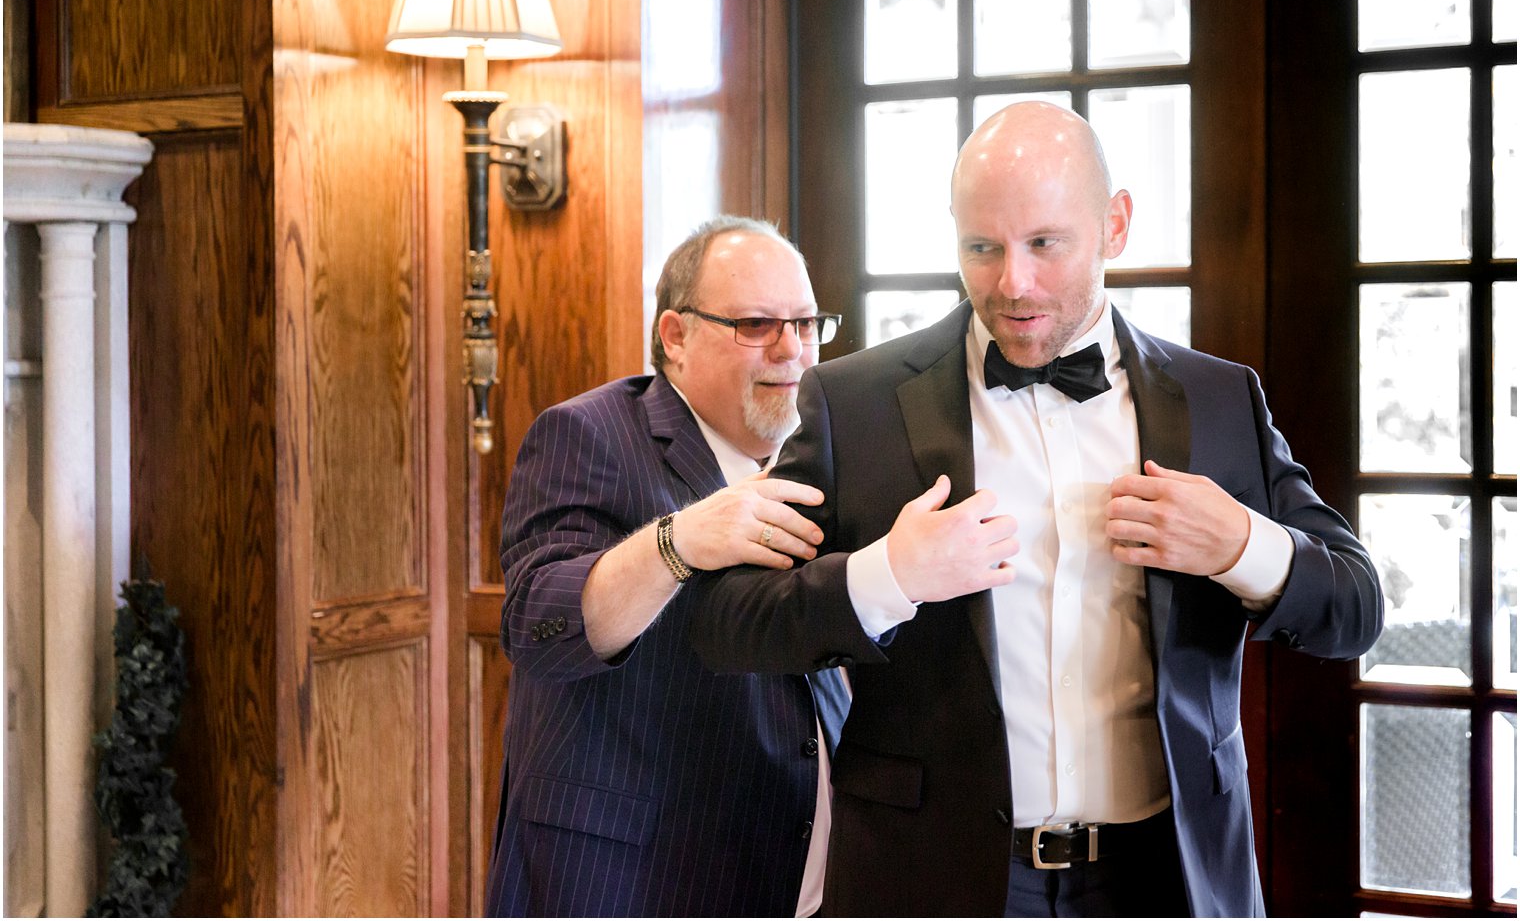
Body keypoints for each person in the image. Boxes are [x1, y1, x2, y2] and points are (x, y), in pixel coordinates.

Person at [688, 103, 1382, 917]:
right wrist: (887, 576)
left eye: (1045, 244)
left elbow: (1356, 607)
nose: (1012, 283)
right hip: (933, 882)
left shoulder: (1220, 399)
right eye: (981, 248)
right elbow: (728, 622)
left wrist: (1242, 546)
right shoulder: (856, 403)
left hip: (1164, 879)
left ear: (1114, 225)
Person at [484, 216, 849, 917]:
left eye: (806, 324)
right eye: (756, 325)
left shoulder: (823, 456)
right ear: (675, 337)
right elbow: (538, 626)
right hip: (628, 882)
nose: (793, 351)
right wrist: (676, 543)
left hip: (796, 876)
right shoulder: (588, 433)